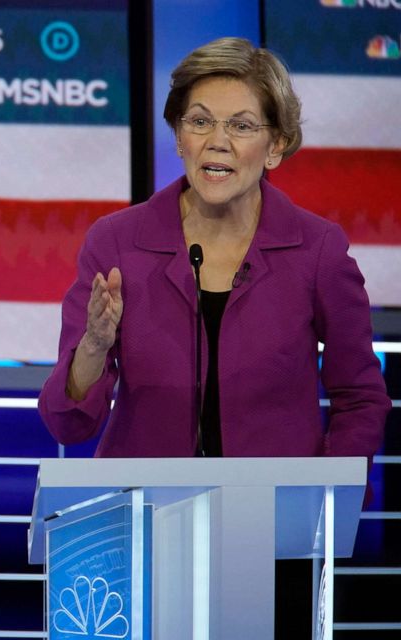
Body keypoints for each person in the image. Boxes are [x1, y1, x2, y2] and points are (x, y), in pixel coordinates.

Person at [39, 37, 389, 459]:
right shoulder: (116, 242)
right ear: (179, 137)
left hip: (274, 514)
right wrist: (94, 346)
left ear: (275, 146)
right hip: (145, 511)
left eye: (241, 126)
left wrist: (328, 495)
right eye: (200, 122)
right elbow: (68, 424)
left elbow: (360, 397)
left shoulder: (318, 251)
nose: (217, 141)